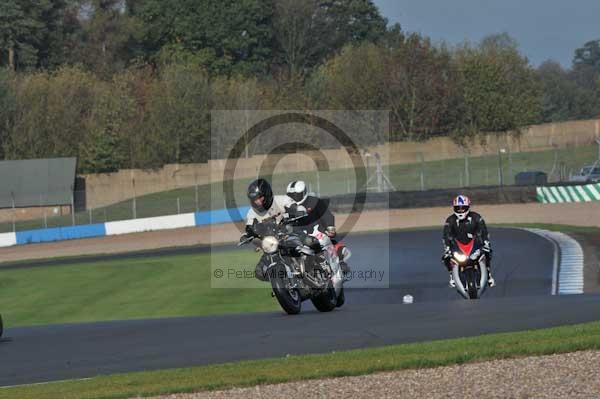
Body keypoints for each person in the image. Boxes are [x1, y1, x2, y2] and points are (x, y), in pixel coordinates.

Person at [285, 180, 351, 275]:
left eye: (296, 195)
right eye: (291, 195)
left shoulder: (314, 202)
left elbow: (327, 215)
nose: (294, 198)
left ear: (304, 193)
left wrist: (330, 226)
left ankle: (340, 261)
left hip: (317, 231)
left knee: (332, 237)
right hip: (298, 234)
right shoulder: (287, 206)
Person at [242, 178, 294, 281]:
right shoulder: (251, 213)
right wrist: (247, 235)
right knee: (259, 272)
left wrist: (294, 213)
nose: (258, 202)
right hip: (273, 244)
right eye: (254, 199)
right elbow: (250, 228)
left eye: (259, 197)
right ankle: (284, 283)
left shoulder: (282, 200)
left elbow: (296, 208)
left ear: (266, 194)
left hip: (291, 234)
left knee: (309, 245)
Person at [442, 195, 495, 288]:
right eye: (458, 208)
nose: (461, 210)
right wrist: (447, 247)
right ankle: (451, 276)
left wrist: (486, 242)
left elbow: (484, 231)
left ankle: (489, 273)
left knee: (487, 251)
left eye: (463, 208)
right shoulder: (450, 220)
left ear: (468, 207)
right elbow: (446, 235)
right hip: (458, 246)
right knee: (446, 257)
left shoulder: (476, 217)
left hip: (475, 244)